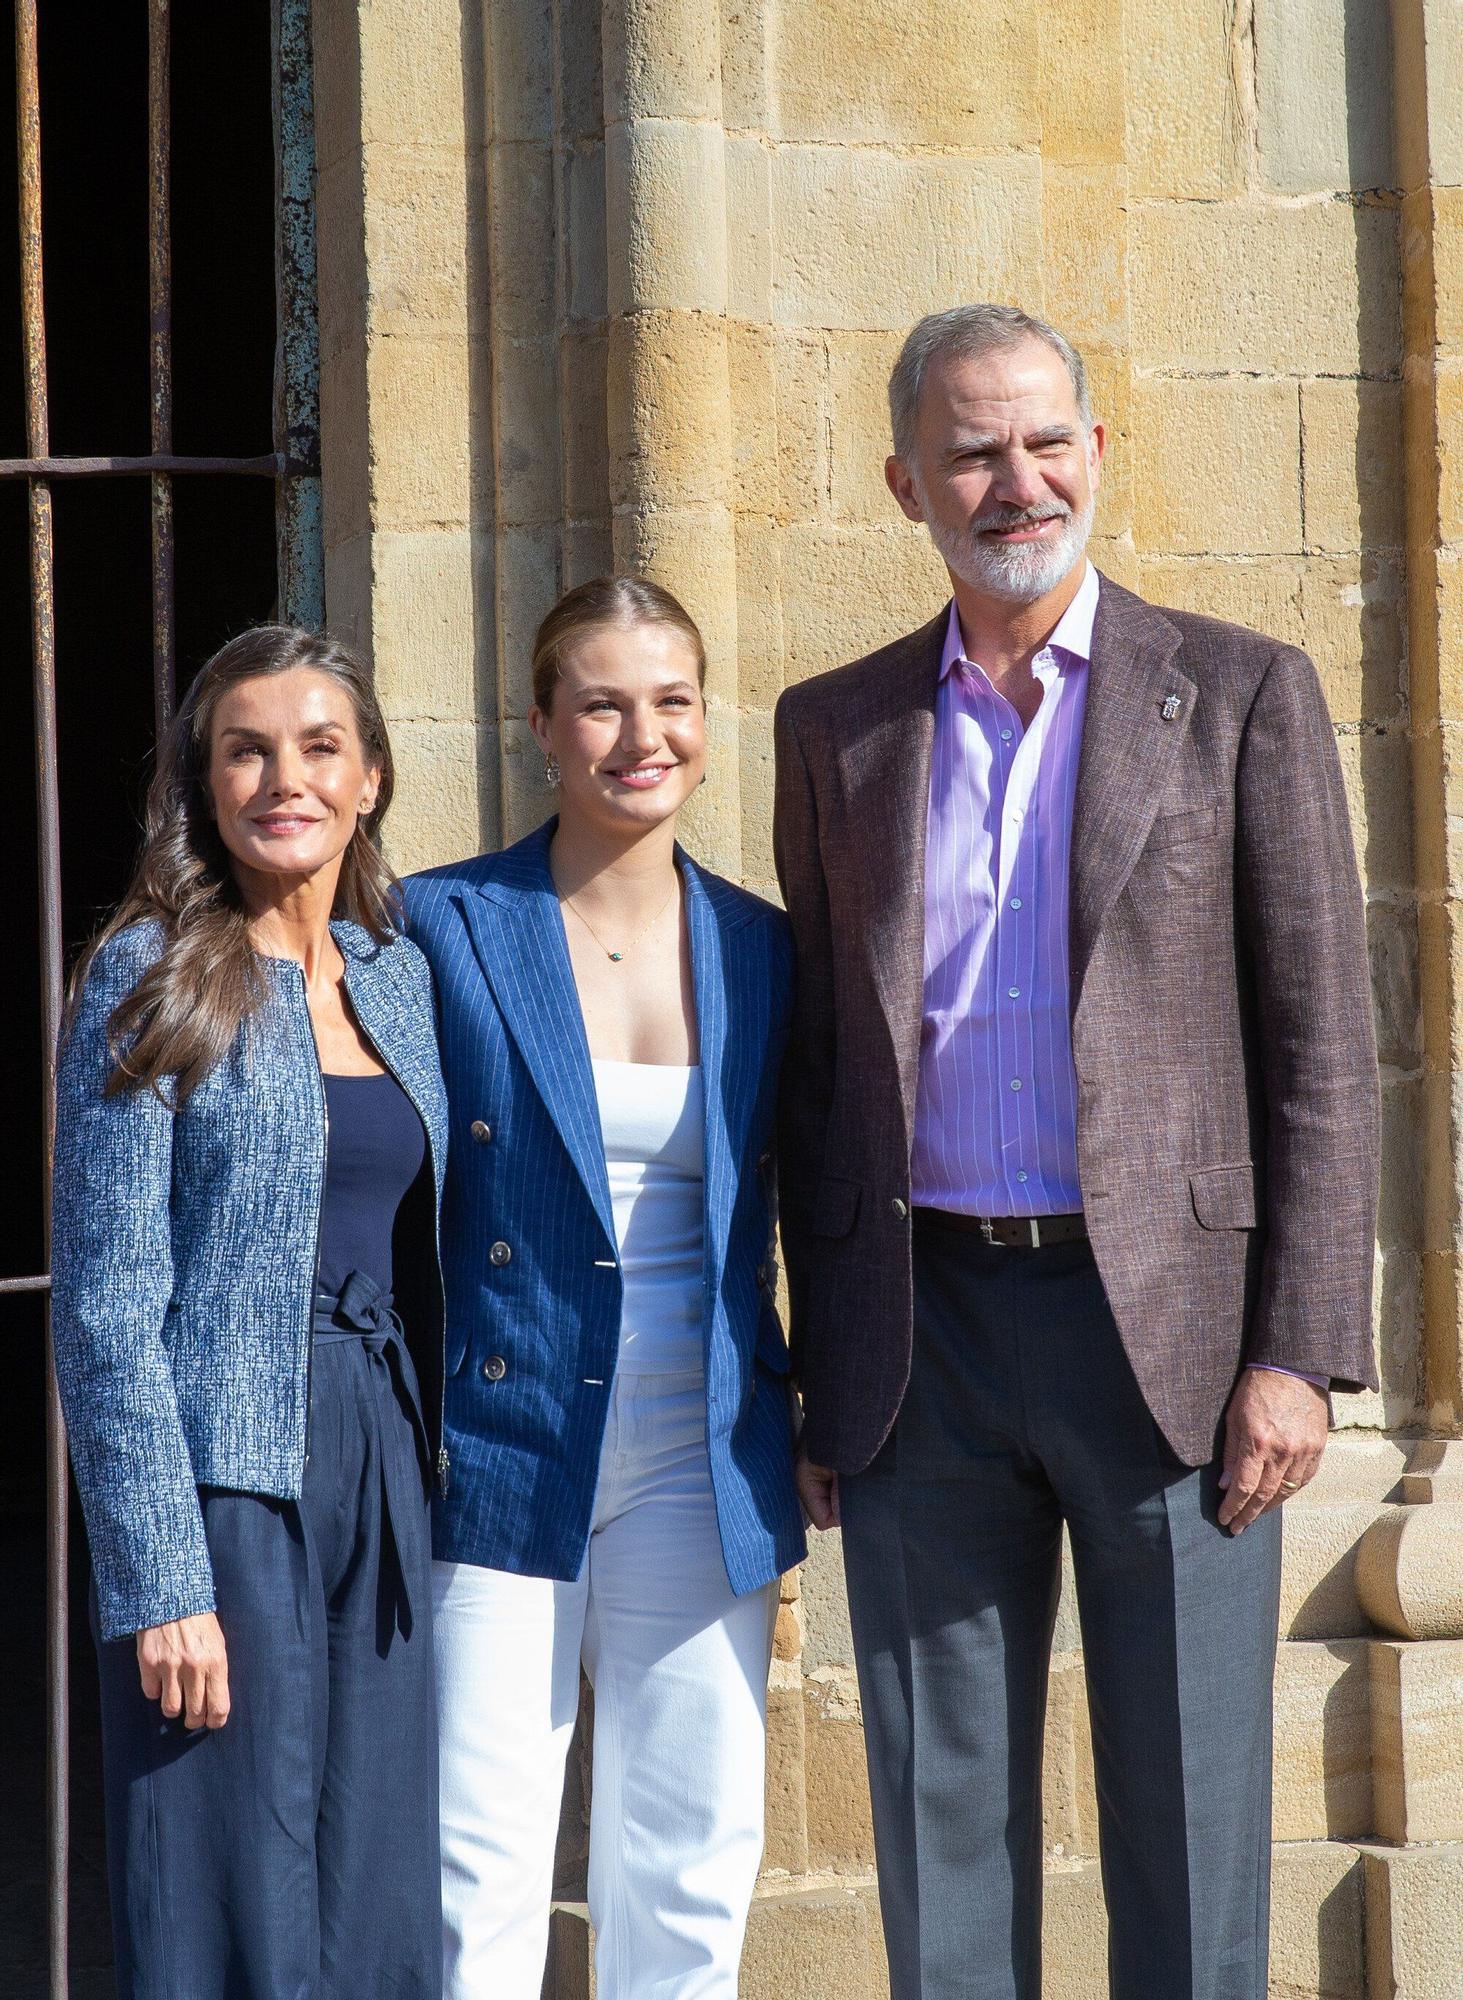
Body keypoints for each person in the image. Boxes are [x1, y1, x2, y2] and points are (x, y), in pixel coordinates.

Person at [773, 304, 1380, 1999]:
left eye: (1046, 441)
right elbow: (821, 1061)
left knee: (1189, 1838)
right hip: (922, 1341)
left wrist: (1299, 1352)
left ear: (1098, 453)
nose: (1017, 480)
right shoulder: (835, 729)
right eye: (972, 451)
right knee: (942, 1840)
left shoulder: (1242, 693)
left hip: (1171, 1346)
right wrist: (818, 1359)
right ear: (907, 484)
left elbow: (1324, 1048)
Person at [404, 573, 805, 1998]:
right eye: (602, 705)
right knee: (475, 1863)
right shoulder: (443, 923)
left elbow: (810, 1191)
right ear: (540, 726)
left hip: (703, 1442)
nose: (645, 737)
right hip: (499, 1435)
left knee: (691, 1858)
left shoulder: (761, 946)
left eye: (673, 701)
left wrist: (818, 1408)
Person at [51, 626, 449, 1999]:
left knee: (376, 1883)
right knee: (227, 1882)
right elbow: (105, 1309)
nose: (286, 779)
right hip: (223, 1483)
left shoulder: (397, 975)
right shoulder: (153, 973)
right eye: (247, 751)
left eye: (320, 747)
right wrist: (161, 1579)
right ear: (204, 781)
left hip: (381, 1467)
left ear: (370, 777)